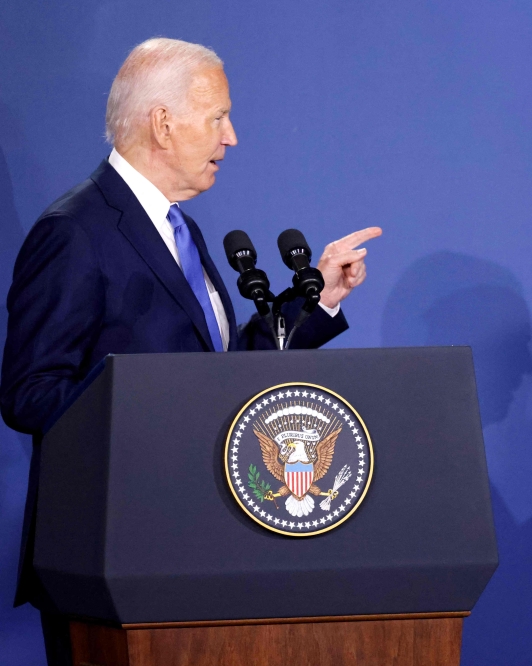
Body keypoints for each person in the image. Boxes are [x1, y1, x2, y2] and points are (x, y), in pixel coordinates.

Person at [0, 38, 380, 665]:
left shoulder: (178, 227)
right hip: (113, 554)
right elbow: (30, 392)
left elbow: (217, 377)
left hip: (198, 544)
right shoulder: (74, 231)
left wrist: (322, 297)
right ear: (163, 122)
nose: (231, 137)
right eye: (218, 117)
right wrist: (150, 410)